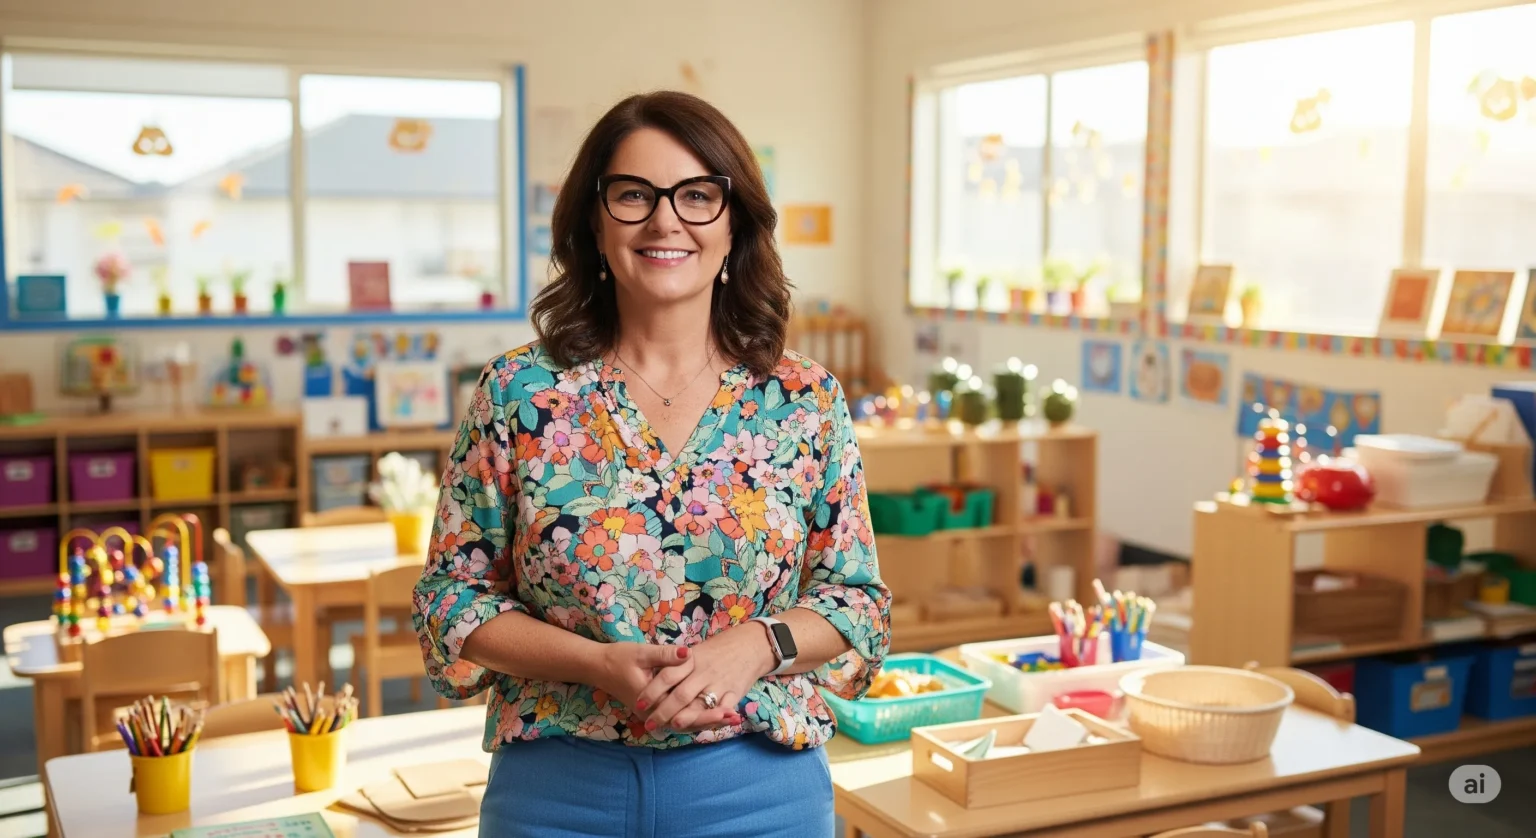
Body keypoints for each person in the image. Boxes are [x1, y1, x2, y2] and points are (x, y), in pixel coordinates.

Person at [412, 90, 891, 838]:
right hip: (557, 792)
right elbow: (453, 600)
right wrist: (595, 664)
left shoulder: (804, 400)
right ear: (594, 224)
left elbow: (856, 603)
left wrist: (759, 644)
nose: (666, 219)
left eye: (697, 195)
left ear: (734, 226)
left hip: (760, 791)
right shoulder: (519, 394)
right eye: (634, 195)